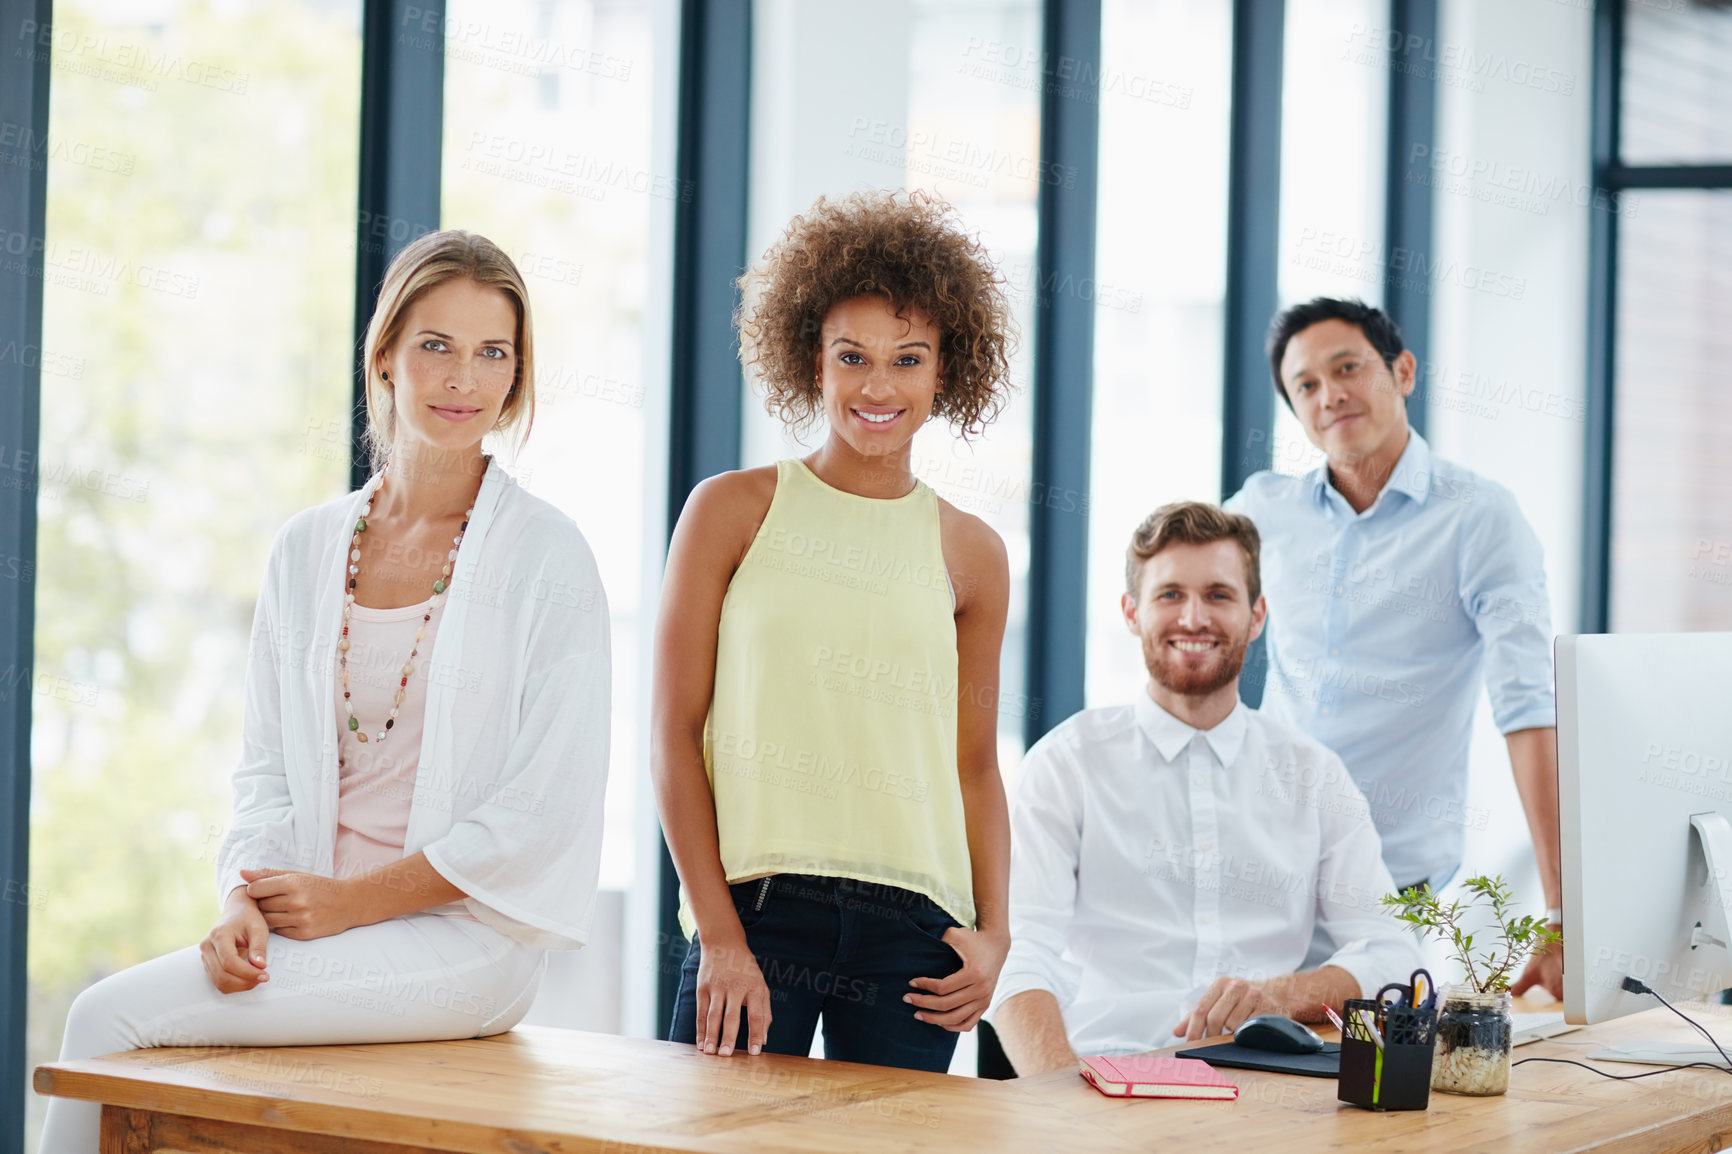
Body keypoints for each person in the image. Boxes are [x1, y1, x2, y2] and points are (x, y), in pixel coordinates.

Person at [40, 230, 611, 1152]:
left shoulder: (548, 558)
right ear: (385, 356)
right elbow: (264, 768)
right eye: (437, 346)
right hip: (308, 923)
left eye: (492, 352)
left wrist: (355, 903)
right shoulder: (307, 548)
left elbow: (544, 809)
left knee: (104, 1022)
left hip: (463, 940)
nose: (463, 378)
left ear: (515, 376)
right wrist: (240, 896)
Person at [652, 190, 1014, 1073]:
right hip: (758, 911)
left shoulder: (974, 551)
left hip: (916, 935)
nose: (878, 387)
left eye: (908, 359)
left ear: (945, 372)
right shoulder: (732, 511)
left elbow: (974, 763)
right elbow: (673, 734)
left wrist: (997, 934)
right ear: (811, 360)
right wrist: (719, 934)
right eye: (852, 356)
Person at [988, 502, 1423, 1074]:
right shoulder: (1067, 764)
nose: (1194, 618)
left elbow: (1395, 951)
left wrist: (1278, 995)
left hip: (1271, 1075)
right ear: (1131, 613)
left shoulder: (1313, 773)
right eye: (1170, 595)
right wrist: (1063, 1103)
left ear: (1257, 614)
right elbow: (1020, 956)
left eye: (1219, 595)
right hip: (1111, 1070)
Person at [1224, 297, 1562, 997]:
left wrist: (1562, 912)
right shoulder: (1262, 510)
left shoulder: (1479, 518)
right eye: (1306, 385)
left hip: (1389, 876)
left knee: (1366, 1080)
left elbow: (1528, 708)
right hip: (1258, 859)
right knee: (1227, 1067)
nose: (1330, 395)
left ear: (1403, 371)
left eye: (1348, 368)